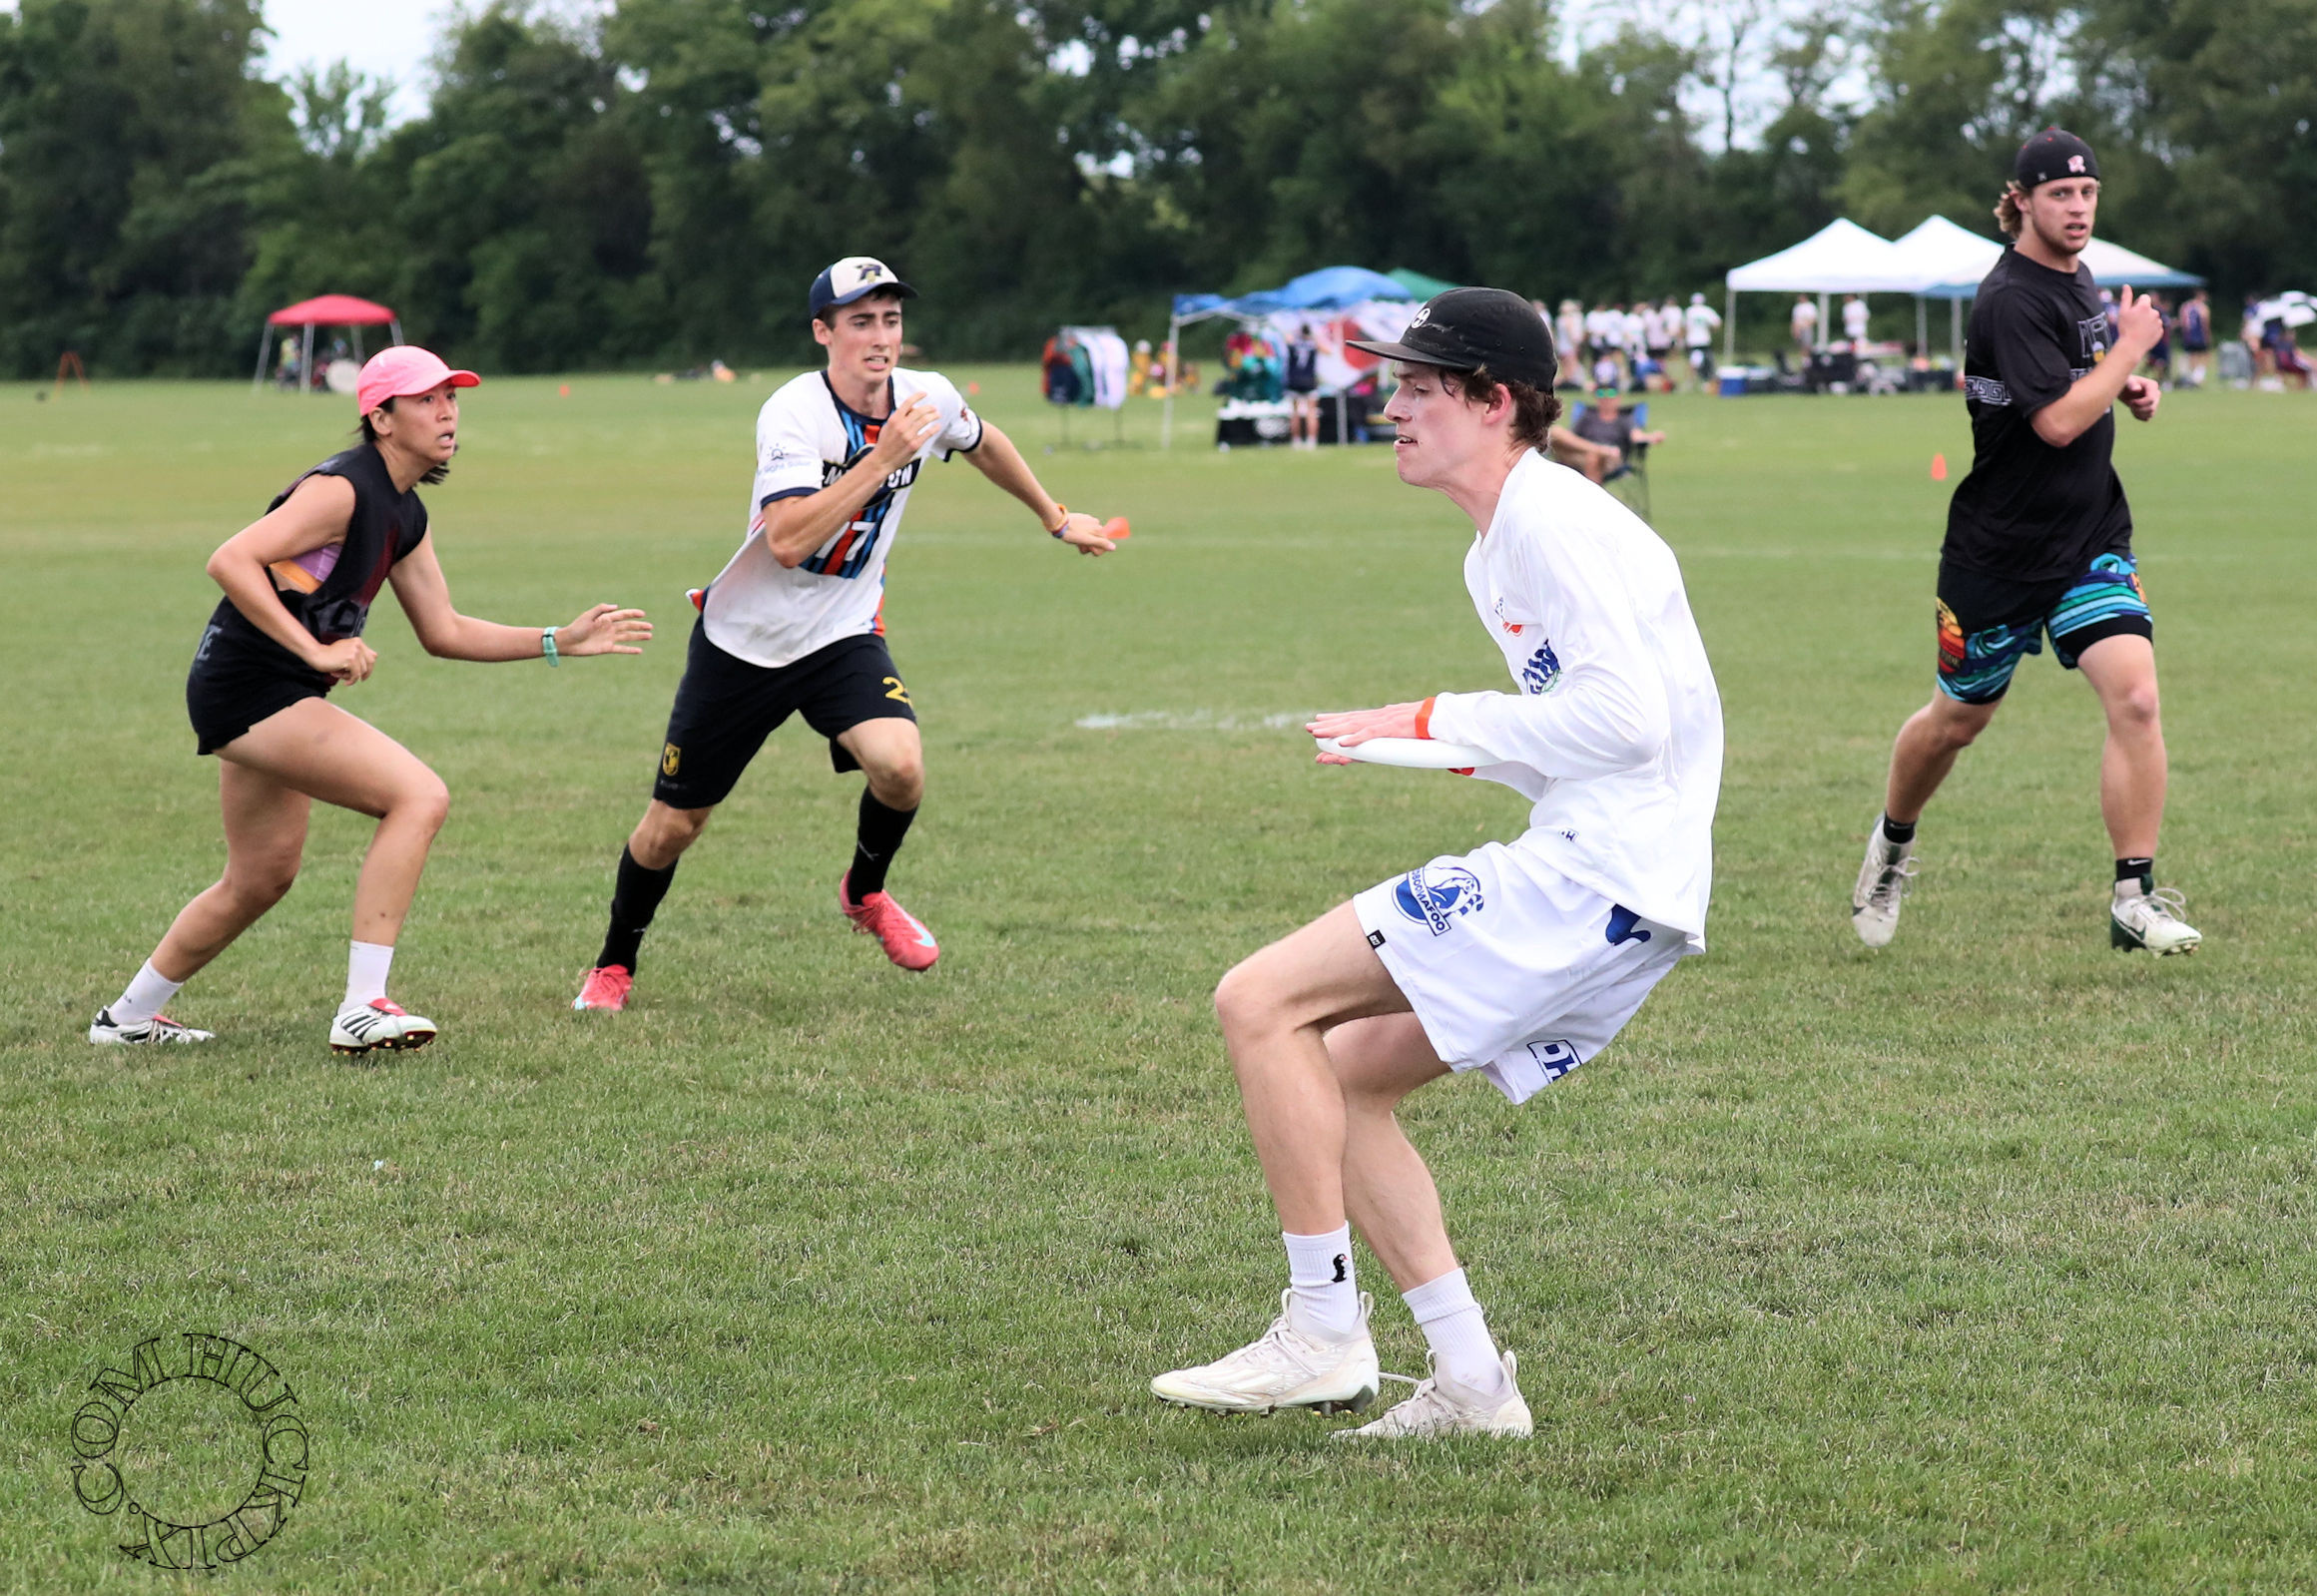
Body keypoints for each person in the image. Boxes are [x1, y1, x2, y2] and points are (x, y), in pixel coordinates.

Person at [1147, 288, 1722, 1439]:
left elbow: (1626, 727)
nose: (1390, 408)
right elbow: (1577, 733)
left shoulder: (1548, 523)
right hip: (1615, 875)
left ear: (1493, 401)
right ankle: (1469, 1384)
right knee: (1344, 1079)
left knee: (1257, 1001)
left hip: (1597, 875)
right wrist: (1433, 744)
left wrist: (1436, 715)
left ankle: (1321, 1333)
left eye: (1417, 388)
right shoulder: (1500, 543)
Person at [571, 258, 1122, 1012]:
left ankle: (864, 892)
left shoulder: (927, 398)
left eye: (891, 320)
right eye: (861, 321)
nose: (881, 337)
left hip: (840, 632)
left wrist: (1054, 517)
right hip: (744, 643)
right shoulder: (793, 412)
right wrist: (884, 457)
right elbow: (788, 540)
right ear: (822, 333)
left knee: (900, 765)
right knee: (673, 826)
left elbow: (982, 440)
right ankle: (613, 964)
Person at [90, 347, 653, 1053]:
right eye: (426, 400)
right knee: (418, 796)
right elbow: (229, 558)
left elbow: (444, 631)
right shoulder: (343, 489)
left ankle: (127, 1019)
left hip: (268, 690)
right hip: (251, 688)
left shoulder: (404, 511)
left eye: (451, 398)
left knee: (259, 878)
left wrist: (555, 640)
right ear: (381, 419)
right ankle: (362, 1005)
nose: (446, 412)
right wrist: (316, 649)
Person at [1851, 130, 2197, 955]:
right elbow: (2055, 422)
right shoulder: (2007, 297)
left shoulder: (2078, 279)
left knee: (2136, 698)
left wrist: (2126, 382)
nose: (2077, 209)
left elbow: (2072, 385)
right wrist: (2129, 348)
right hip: (1997, 552)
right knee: (1955, 721)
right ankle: (1891, 842)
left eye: (2087, 194)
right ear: (2022, 200)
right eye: (2059, 195)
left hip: (2087, 539)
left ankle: (2133, 897)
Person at [1568, 386, 1665, 486]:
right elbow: (1570, 437)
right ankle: (1599, 453)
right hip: (1583, 456)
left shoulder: (1625, 419)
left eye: (1611, 393)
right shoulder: (1587, 416)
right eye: (1600, 393)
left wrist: (1652, 437)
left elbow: (1637, 436)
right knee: (1589, 455)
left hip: (1613, 459)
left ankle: (1592, 492)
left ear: (1619, 398)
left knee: (1593, 458)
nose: (1605, 398)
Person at [1285, 325, 1323, 449]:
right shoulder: (1312, 344)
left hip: (1294, 380)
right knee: (1312, 412)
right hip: (1309, 380)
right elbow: (1327, 350)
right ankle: (1312, 440)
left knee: (1294, 413)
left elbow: (1287, 337)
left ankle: (1296, 440)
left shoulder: (1294, 343)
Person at [1683, 291, 1722, 390]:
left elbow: (1684, 326)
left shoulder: (1689, 311)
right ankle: (1706, 382)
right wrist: (1710, 330)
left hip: (1692, 341)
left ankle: (1690, 383)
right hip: (1704, 340)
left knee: (1693, 363)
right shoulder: (1707, 311)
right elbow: (1717, 323)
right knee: (1708, 363)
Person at [2177, 287, 2211, 387]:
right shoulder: (2203, 308)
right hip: (2199, 336)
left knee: (2190, 356)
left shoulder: (2185, 306)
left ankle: (2191, 377)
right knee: (2203, 356)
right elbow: (2205, 323)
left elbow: (2183, 323)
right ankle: (2197, 378)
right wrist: (2207, 336)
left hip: (2188, 336)